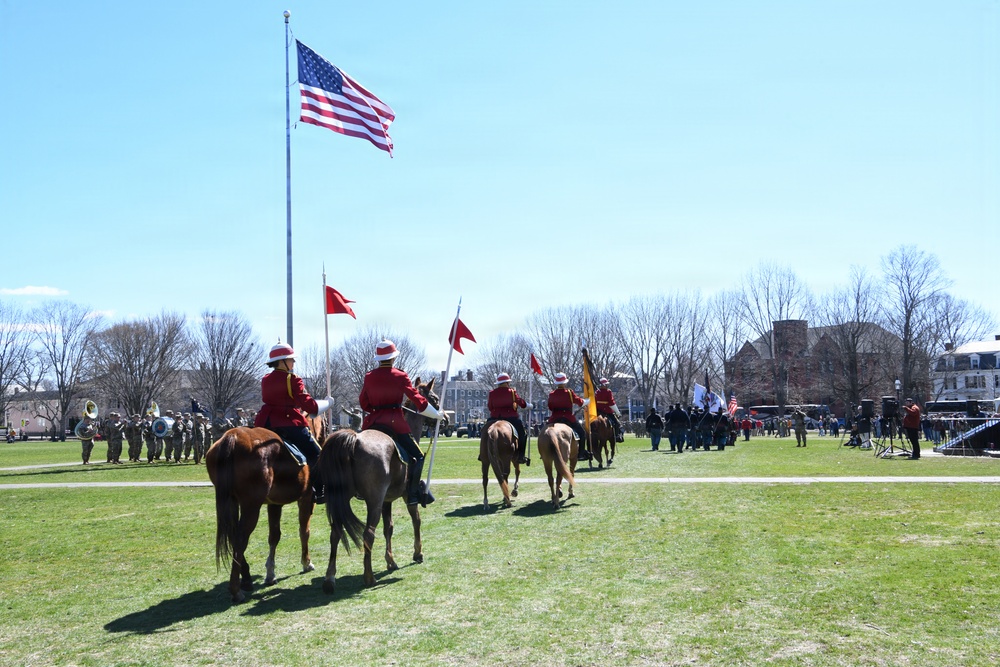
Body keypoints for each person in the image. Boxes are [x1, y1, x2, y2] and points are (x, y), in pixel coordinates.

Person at [359, 339, 442, 507]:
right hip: (394, 422)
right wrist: (435, 414)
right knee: (418, 456)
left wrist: (376, 408)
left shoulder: (369, 377)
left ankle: (359, 488)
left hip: (373, 422)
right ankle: (412, 494)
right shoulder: (400, 375)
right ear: (393, 358)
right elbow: (417, 399)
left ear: (379, 359)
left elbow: (364, 403)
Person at [254, 342, 333, 504]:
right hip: (288, 421)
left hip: (266, 421)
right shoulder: (293, 379)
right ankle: (320, 490)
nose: (293, 362)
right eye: (291, 359)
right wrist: (325, 404)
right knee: (317, 454)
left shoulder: (265, 379)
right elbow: (308, 405)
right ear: (282, 361)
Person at [487, 372, 531, 465]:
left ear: (498, 383)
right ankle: (520, 456)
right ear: (507, 383)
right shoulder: (512, 392)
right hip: (510, 417)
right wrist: (527, 405)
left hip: (495, 418)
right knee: (522, 434)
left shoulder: (492, 393)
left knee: (484, 433)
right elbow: (521, 403)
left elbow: (490, 407)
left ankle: (483, 454)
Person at [546, 372, 591, 460]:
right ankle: (581, 453)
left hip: (554, 418)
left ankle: (545, 452)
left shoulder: (551, 394)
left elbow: (550, 407)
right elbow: (580, 402)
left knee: (545, 433)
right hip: (568, 418)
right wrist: (587, 401)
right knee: (581, 433)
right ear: (565, 382)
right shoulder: (569, 393)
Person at [594, 378, 625, 443]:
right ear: (603, 385)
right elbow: (611, 403)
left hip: (597, 412)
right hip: (607, 412)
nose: (607, 386)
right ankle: (617, 436)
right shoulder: (608, 392)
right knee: (617, 423)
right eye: (606, 384)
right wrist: (617, 412)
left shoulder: (596, 392)